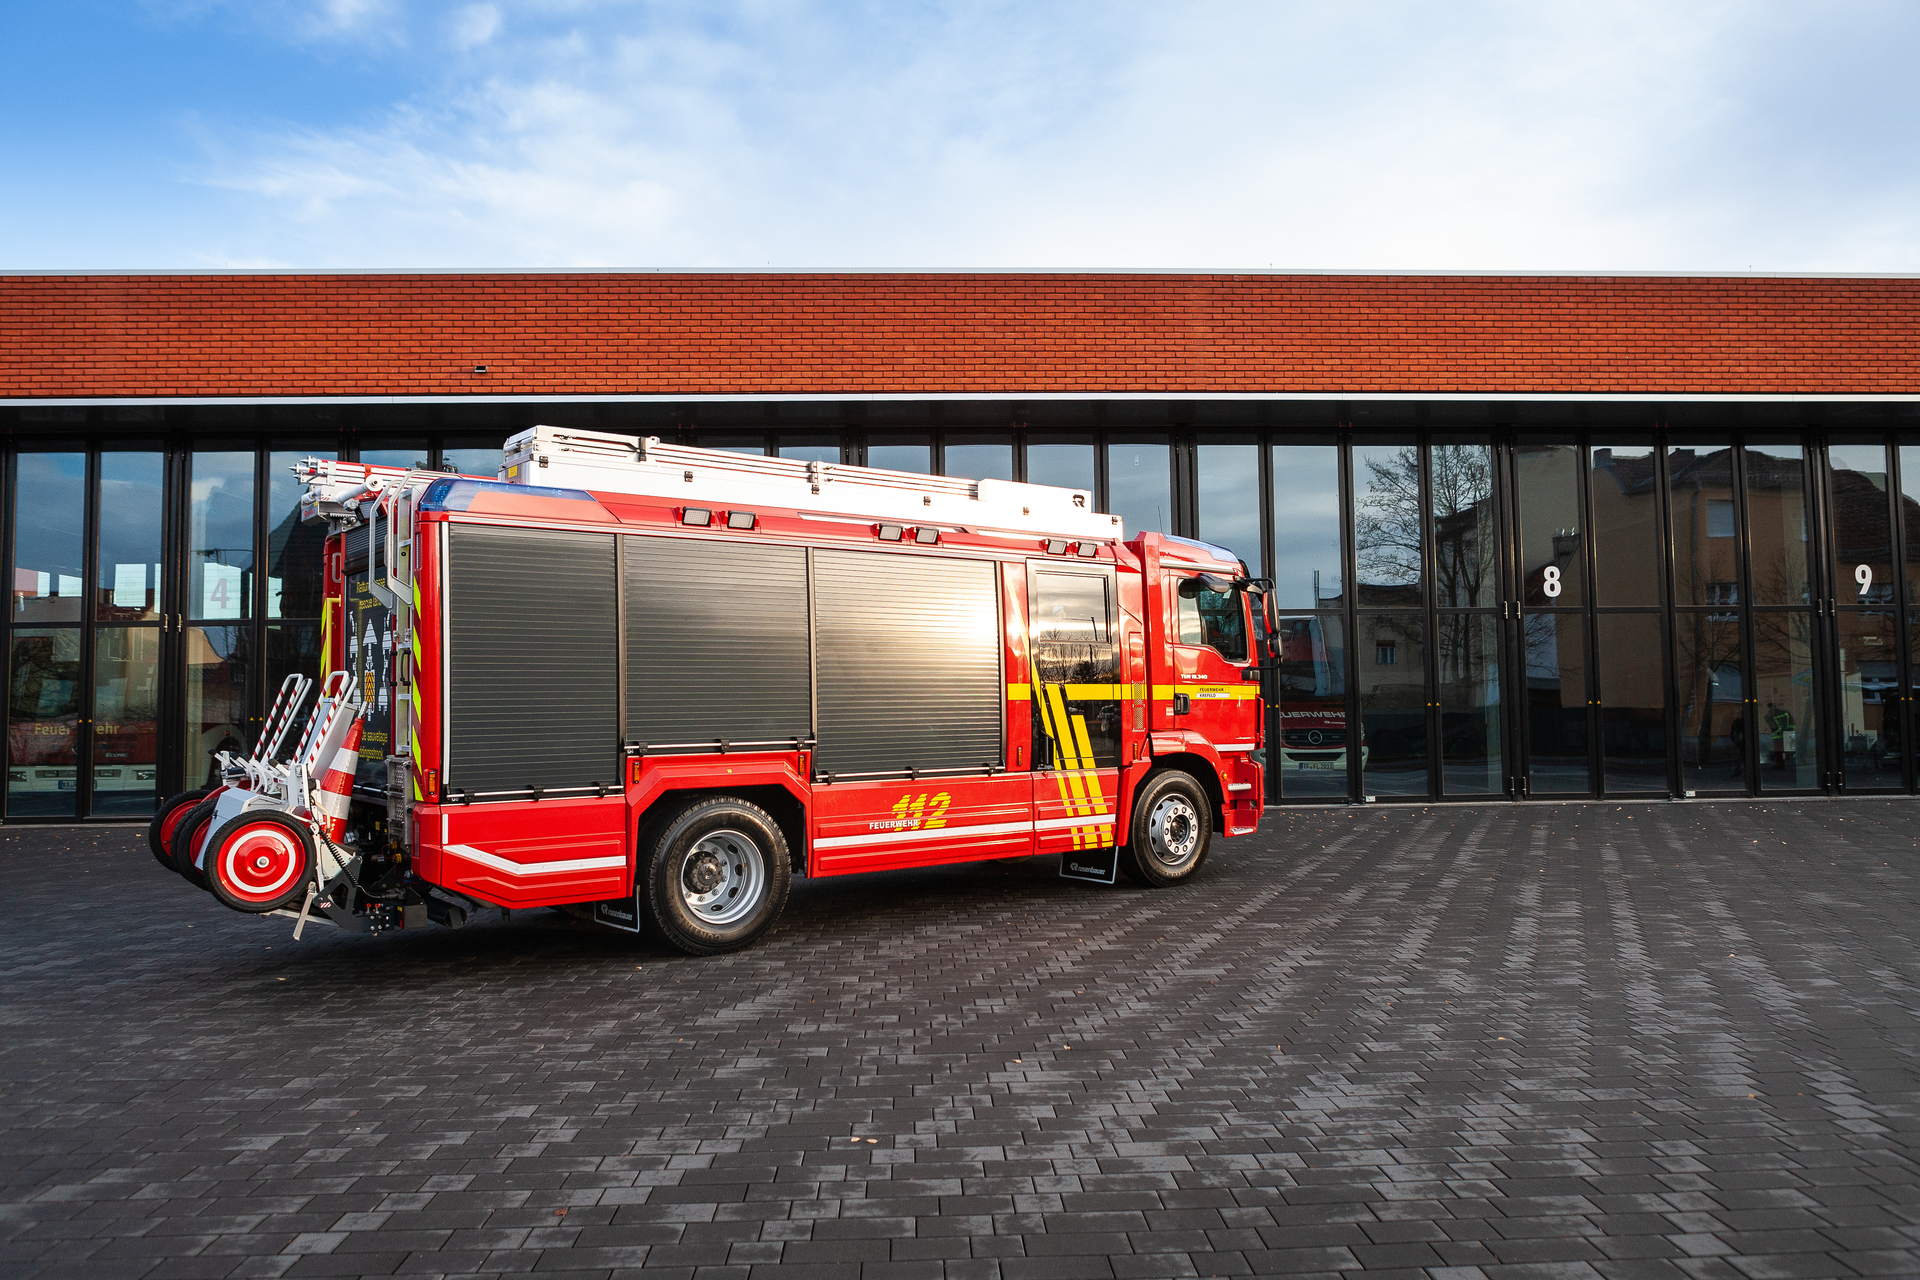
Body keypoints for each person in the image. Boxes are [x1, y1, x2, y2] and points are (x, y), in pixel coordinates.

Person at [1768, 703, 1796, 771]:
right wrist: (1790, 730)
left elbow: (1774, 726)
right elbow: (1793, 722)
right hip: (1787, 733)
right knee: (1785, 750)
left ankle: (1780, 764)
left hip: (1778, 736)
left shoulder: (1771, 715)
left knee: (1779, 751)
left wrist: (1777, 731)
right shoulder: (1785, 712)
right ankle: (1784, 762)